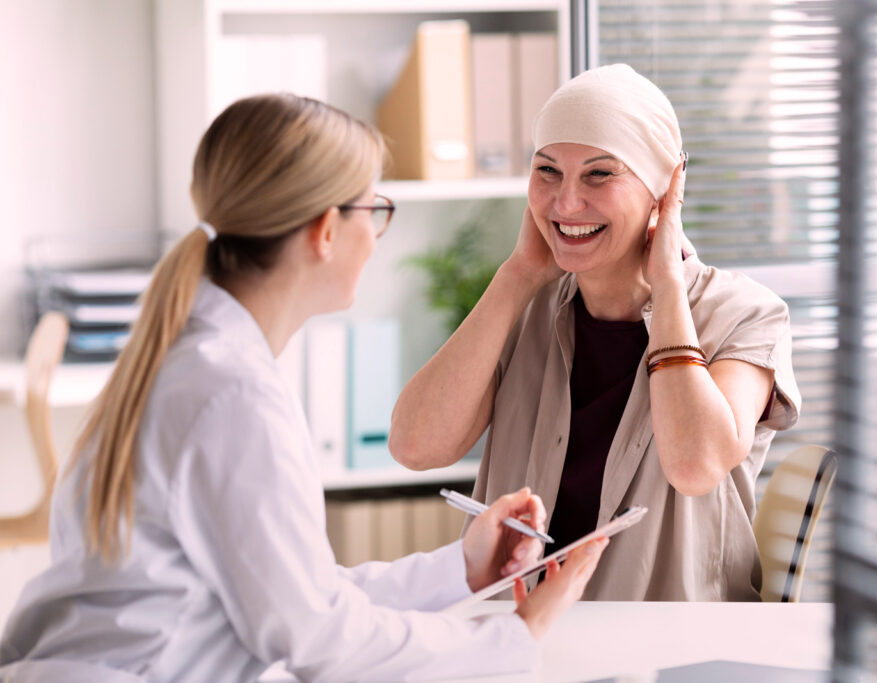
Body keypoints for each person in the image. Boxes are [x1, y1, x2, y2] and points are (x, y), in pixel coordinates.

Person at [0, 94, 607, 683]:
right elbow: (316, 637)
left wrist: (461, 569)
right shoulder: (231, 396)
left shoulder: (190, 361)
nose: (376, 236)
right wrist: (515, 635)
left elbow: (292, 594)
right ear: (324, 231)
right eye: (375, 212)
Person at [389, 64, 801, 602]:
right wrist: (516, 276)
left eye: (600, 174)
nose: (566, 203)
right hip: (519, 636)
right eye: (548, 171)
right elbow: (416, 448)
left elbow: (696, 465)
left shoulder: (743, 314)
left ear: (663, 192)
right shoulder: (525, 306)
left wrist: (668, 287)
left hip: (668, 649)